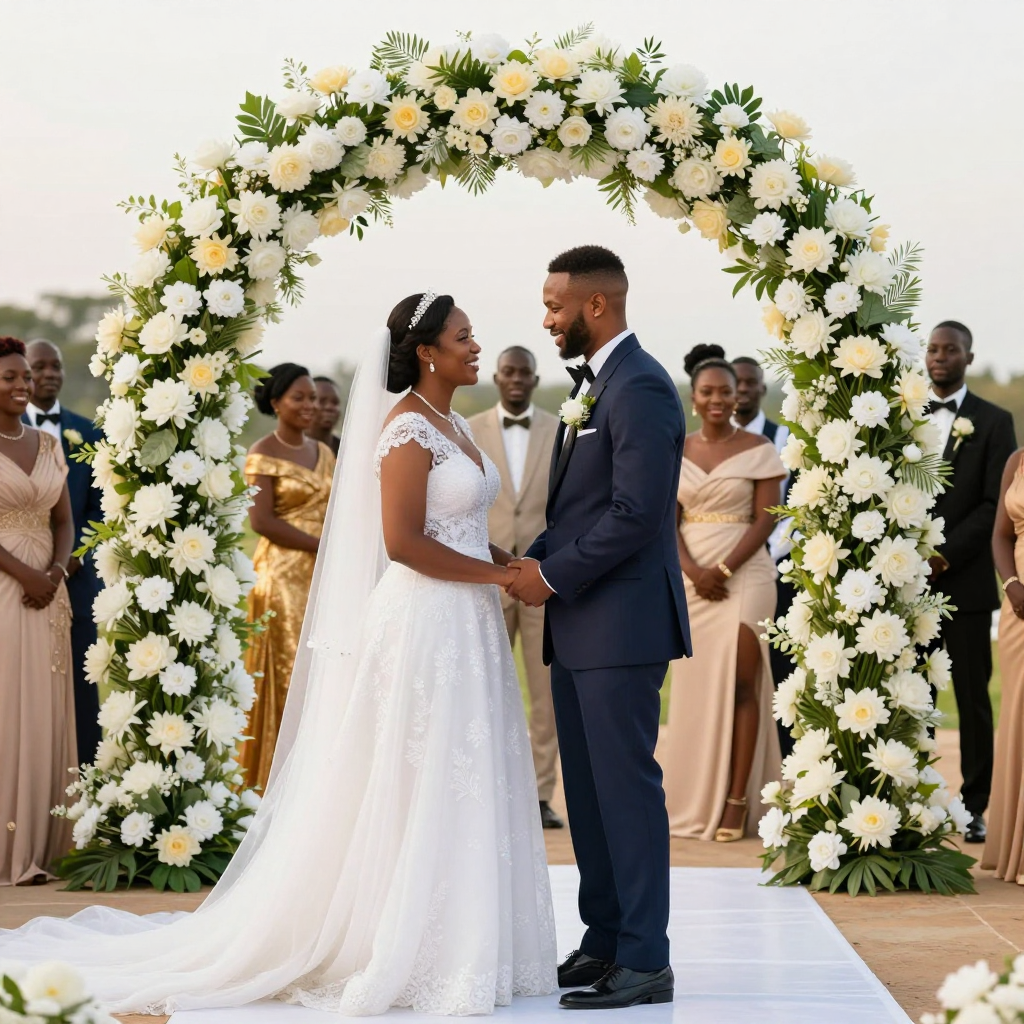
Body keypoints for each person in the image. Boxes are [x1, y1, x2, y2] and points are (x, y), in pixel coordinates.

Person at [0, 297, 556, 1015]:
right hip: (428, 619)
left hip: (468, 620)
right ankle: (401, 942)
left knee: (463, 770)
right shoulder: (408, 428)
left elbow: (465, 529)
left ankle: (470, 936)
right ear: (425, 351)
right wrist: (503, 578)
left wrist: (513, 565)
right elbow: (405, 544)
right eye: (463, 337)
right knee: (417, 771)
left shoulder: (452, 423)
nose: (476, 346)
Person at [508, 246, 688, 1010]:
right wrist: (526, 559)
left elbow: (636, 514)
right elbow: (578, 511)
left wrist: (548, 576)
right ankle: (606, 939)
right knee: (588, 793)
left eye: (553, 305)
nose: (545, 319)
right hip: (582, 626)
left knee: (626, 791)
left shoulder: (640, 385)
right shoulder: (596, 385)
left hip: (621, 626)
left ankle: (646, 959)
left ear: (595, 306)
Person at [662, 344, 784, 844]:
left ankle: (737, 801)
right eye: (708, 391)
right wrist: (693, 571)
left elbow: (766, 520)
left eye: (727, 392)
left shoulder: (760, 451)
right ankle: (694, 797)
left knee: (742, 681)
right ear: (694, 397)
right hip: (693, 581)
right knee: (695, 689)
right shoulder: (675, 449)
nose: (718, 399)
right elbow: (666, 523)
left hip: (748, 577)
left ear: (739, 397)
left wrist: (727, 567)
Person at [925, 321, 1017, 844]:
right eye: (934, 349)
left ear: (968, 356)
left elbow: (993, 505)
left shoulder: (994, 420)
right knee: (914, 696)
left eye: (951, 350)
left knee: (971, 697)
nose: (940, 357)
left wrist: (943, 556)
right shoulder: (901, 416)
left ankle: (974, 804)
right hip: (909, 586)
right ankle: (919, 796)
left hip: (967, 586)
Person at [467, 346, 563, 829]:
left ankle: (541, 794)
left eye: (526, 372)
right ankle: (485, 789)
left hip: (543, 578)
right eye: (509, 371)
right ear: (497, 377)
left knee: (545, 692)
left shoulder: (560, 428)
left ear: (535, 377)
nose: (517, 379)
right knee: (483, 685)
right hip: (485, 575)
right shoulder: (469, 428)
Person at [0, 337, 76, 886]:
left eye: (25, 376)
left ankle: (44, 846)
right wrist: (25, 574)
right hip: (5, 585)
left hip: (51, 593)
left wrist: (55, 573)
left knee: (47, 709)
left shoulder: (49, 446)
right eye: (10, 377)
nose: (22, 385)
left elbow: (64, 523)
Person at [240, 363, 336, 792]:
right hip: (281, 578)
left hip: (327, 574)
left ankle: (318, 778)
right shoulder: (262, 452)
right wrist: (321, 546)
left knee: (326, 672)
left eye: (313, 398)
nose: (309, 405)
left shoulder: (326, 453)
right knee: (290, 671)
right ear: (276, 402)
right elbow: (261, 521)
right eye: (299, 397)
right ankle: (274, 782)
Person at [23, 338, 104, 764]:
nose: (50, 373)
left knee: (81, 680)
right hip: (19, 578)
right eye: (41, 366)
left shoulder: (90, 432)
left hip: (77, 579)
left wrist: (68, 563)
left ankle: (85, 770)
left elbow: (100, 507)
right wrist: (33, 569)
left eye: (56, 366)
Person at [732, 354, 795, 757]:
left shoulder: (786, 439)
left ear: (761, 389)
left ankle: (781, 763)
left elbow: (794, 505)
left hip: (776, 569)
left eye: (750, 382)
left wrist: (767, 554)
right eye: (734, 383)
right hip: (721, 575)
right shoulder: (704, 441)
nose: (741, 390)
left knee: (778, 672)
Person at [982, 447, 1024, 881]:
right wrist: (1011, 586)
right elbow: (1000, 535)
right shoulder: (1017, 460)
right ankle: (1017, 848)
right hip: (1020, 610)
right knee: (1018, 718)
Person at [310, 375, 342, 456]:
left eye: (335, 403)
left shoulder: (346, 449)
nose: (330, 407)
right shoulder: (288, 449)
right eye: (322, 401)